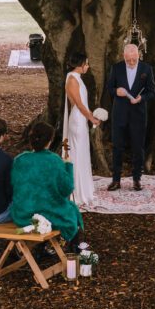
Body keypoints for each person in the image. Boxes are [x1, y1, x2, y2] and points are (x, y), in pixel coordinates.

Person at [10, 121, 83, 248]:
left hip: (22, 215)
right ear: (49, 141)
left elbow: (13, 184)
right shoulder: (54, 160)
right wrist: (68, 166)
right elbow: (67, 189)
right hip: (48, 215)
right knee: (72, 211)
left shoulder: (19, 159)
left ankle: (42, 249)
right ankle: (75, 252)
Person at [104, 43, 155, 191]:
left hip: (138, 115)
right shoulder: (116, 67)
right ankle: (116, 180)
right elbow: (109, 88)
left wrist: (141, 98)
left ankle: (137, 179)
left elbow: (152, 91)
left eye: (134, 59)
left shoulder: (147, 69)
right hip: (119, 113)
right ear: (124, 56)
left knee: (138, 147)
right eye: (129, 60)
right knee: (117, 147)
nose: (132, 63)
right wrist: (116, 92)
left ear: (138, 55)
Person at [63, 52, 100, 208]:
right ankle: (77, 192)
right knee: (77, 154)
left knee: (82, 153)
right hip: (78, 121)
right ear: (80, 64)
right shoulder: (72, 79)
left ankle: (83, 188)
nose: (88, 66)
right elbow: (78, 104)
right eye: (86, 63)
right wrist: (92, 117)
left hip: (81, 119)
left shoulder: (76, 77)